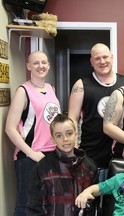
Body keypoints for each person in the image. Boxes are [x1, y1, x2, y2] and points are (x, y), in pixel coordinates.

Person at [5, 51, 61, 216]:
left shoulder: (51, 88)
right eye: (36, 63)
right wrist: (31, 154)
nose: (40, 66)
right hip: (29, 157)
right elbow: (10, 128)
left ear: (49, 66)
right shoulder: (23, 91)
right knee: (26, 205)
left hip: (52, 155)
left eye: (44, 62)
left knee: (47, 204)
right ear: (29, 66)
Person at [68, 43, 124, 181]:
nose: (102, 61)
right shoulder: (81, 85)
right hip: (89, 156)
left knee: (115, 201)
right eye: (97, 58)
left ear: (112, 58)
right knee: (90, 200)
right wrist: (73, 150)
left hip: (120, 157)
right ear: (91, 61)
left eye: (105, 57)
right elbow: (72, 119)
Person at [26, 114, 98, 216]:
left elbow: (93, 206)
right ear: (53, 139)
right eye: (59, 135)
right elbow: (34, 208)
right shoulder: (42, 168)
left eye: (69, 133)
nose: (65, 139)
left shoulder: (90, 167)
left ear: (76, 134)